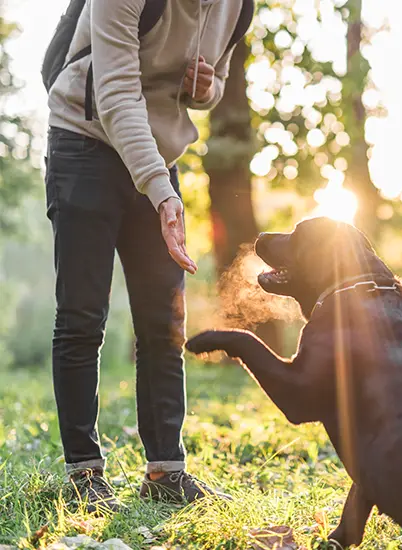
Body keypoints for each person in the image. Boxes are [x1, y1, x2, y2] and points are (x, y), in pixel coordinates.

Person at [44, 0, 252, 512]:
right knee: (82, 316)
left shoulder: (239, 6)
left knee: (164, 322)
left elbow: (216, 81)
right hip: (85, 141)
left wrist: (204, 89)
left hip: (157, 152)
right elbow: (114, 92)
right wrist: (161, 190)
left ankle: (165, 472)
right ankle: (83, 475)